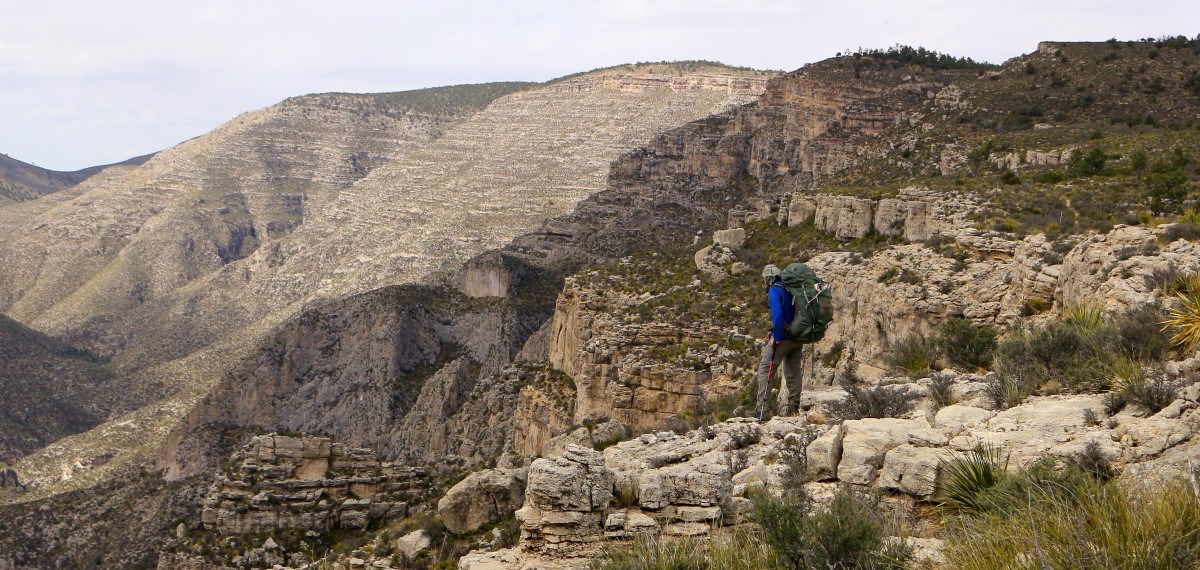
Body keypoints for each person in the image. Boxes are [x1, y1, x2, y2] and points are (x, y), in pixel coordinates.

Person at [754, 264, 805, 420]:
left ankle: (761, 410)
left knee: (765, 369)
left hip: (784, 338)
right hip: (798, 336)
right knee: (793, 372)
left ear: (768, 278)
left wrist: (776, 337)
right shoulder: (791, 289)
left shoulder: (774, 290)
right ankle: (793, 408)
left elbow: (777, 315)